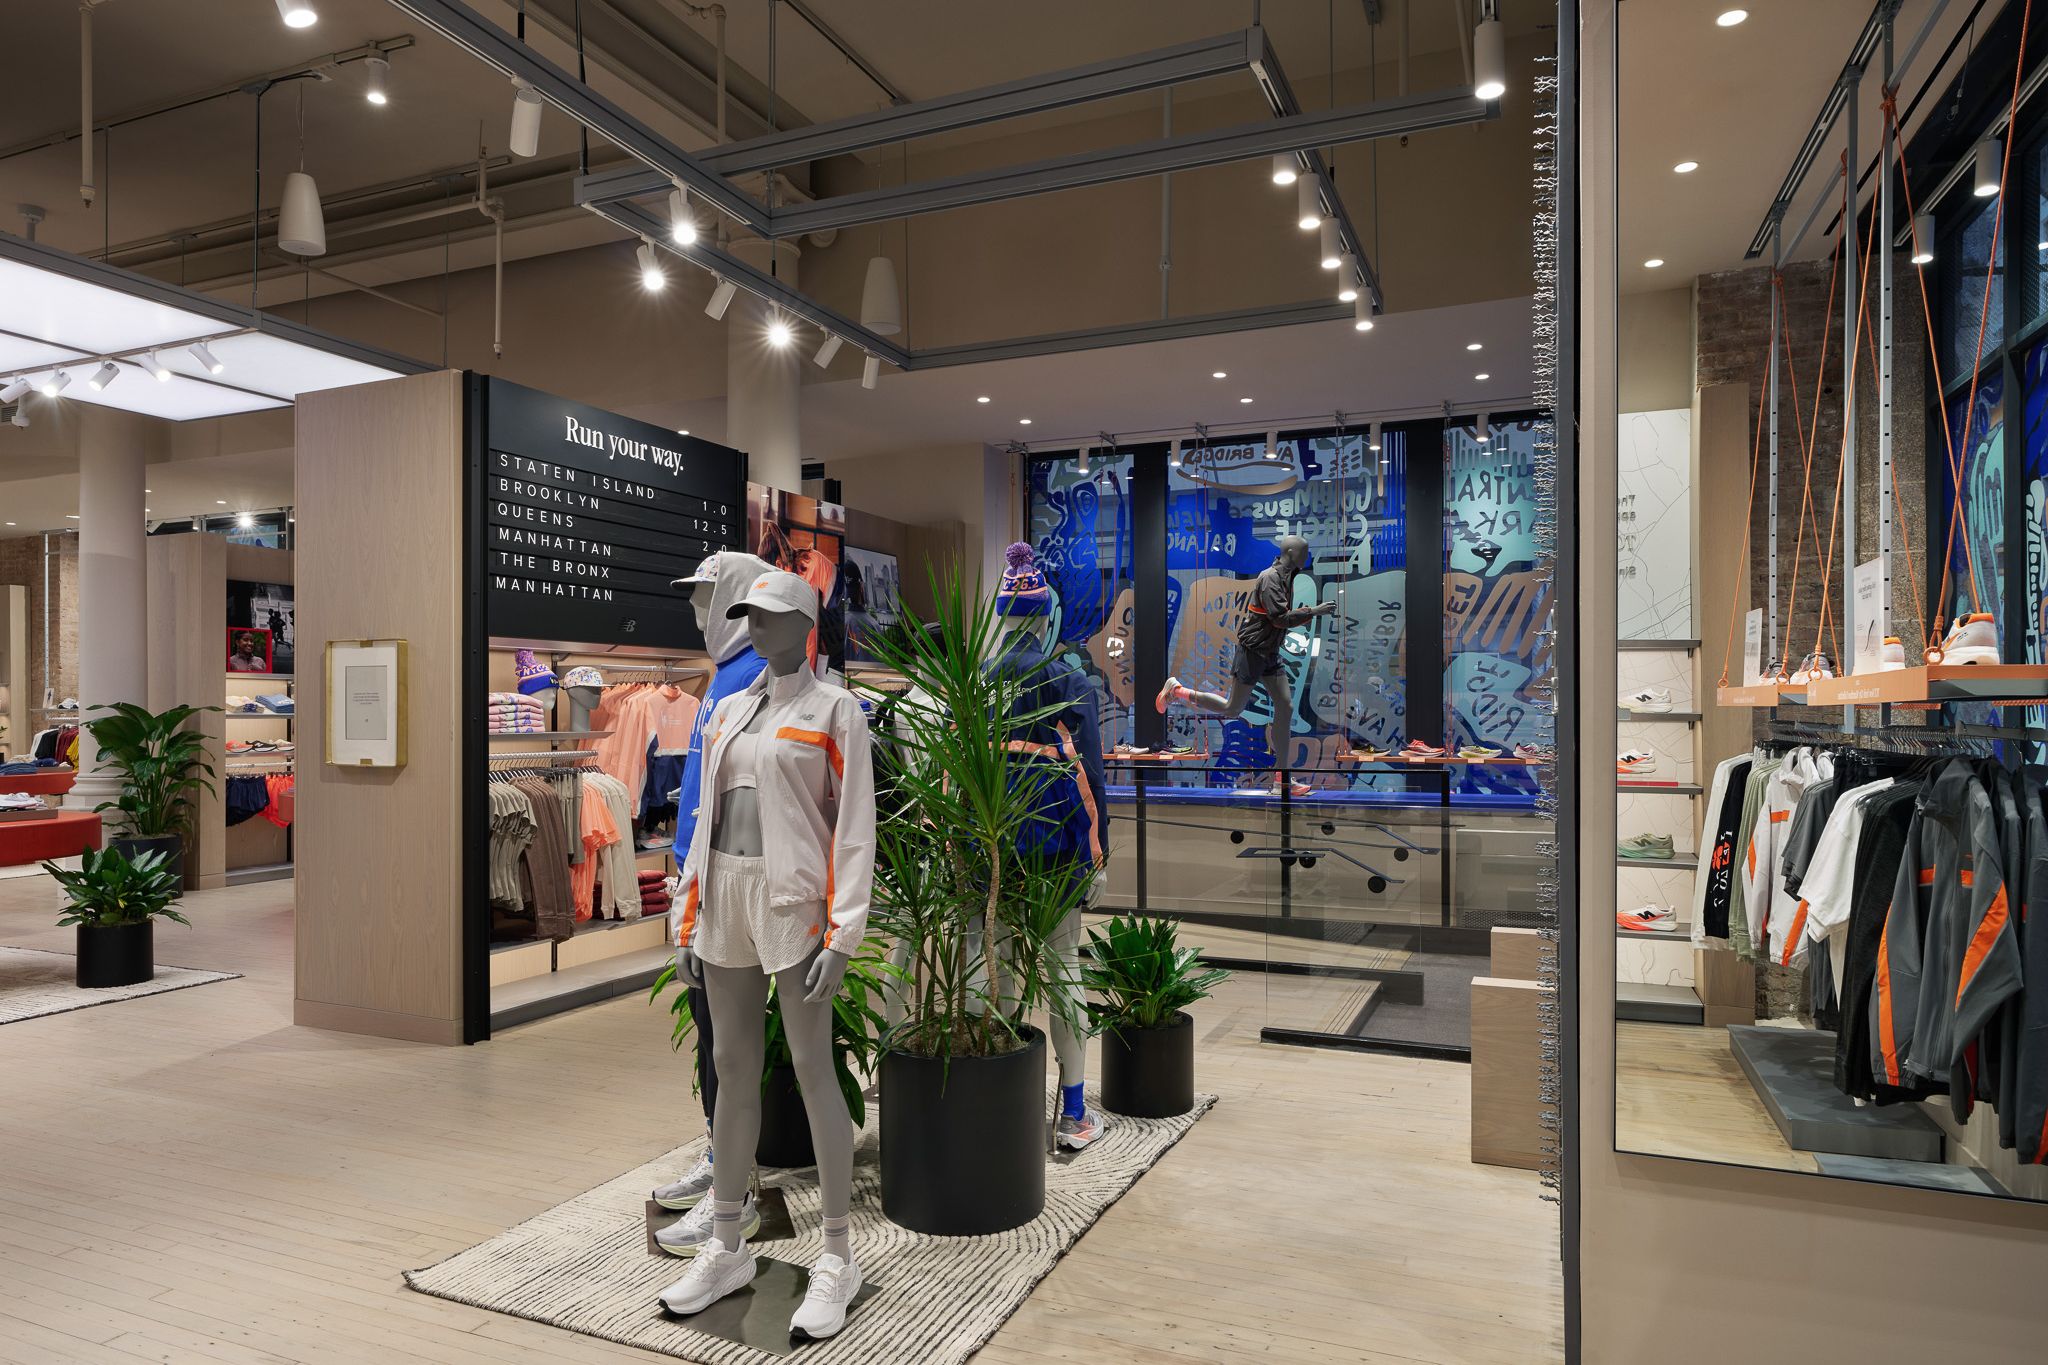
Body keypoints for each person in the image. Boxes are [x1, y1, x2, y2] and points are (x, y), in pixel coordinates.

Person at [1155, 534, 1334, 796]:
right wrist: (1314, 611)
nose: (1306, 556)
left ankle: (1282, 778)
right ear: (1292, 553)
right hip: (1252, 652)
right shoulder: (1270, 578)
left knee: (1285, 706)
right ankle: (1178, 691)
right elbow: (1279, 618)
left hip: (1270, 653)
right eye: (1304, 552)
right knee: (1232, 708)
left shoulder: (1287, 577)